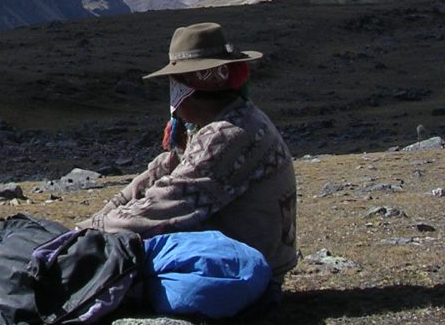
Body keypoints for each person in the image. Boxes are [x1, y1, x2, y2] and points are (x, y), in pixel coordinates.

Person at [80, 22, 298, 281]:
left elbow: (166, 204)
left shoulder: (226, 135)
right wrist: (93, 224)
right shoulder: (229, 122)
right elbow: (158, 174)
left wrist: (88, 235)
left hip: (241, 272)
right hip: (246, 262)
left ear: (184, 90)